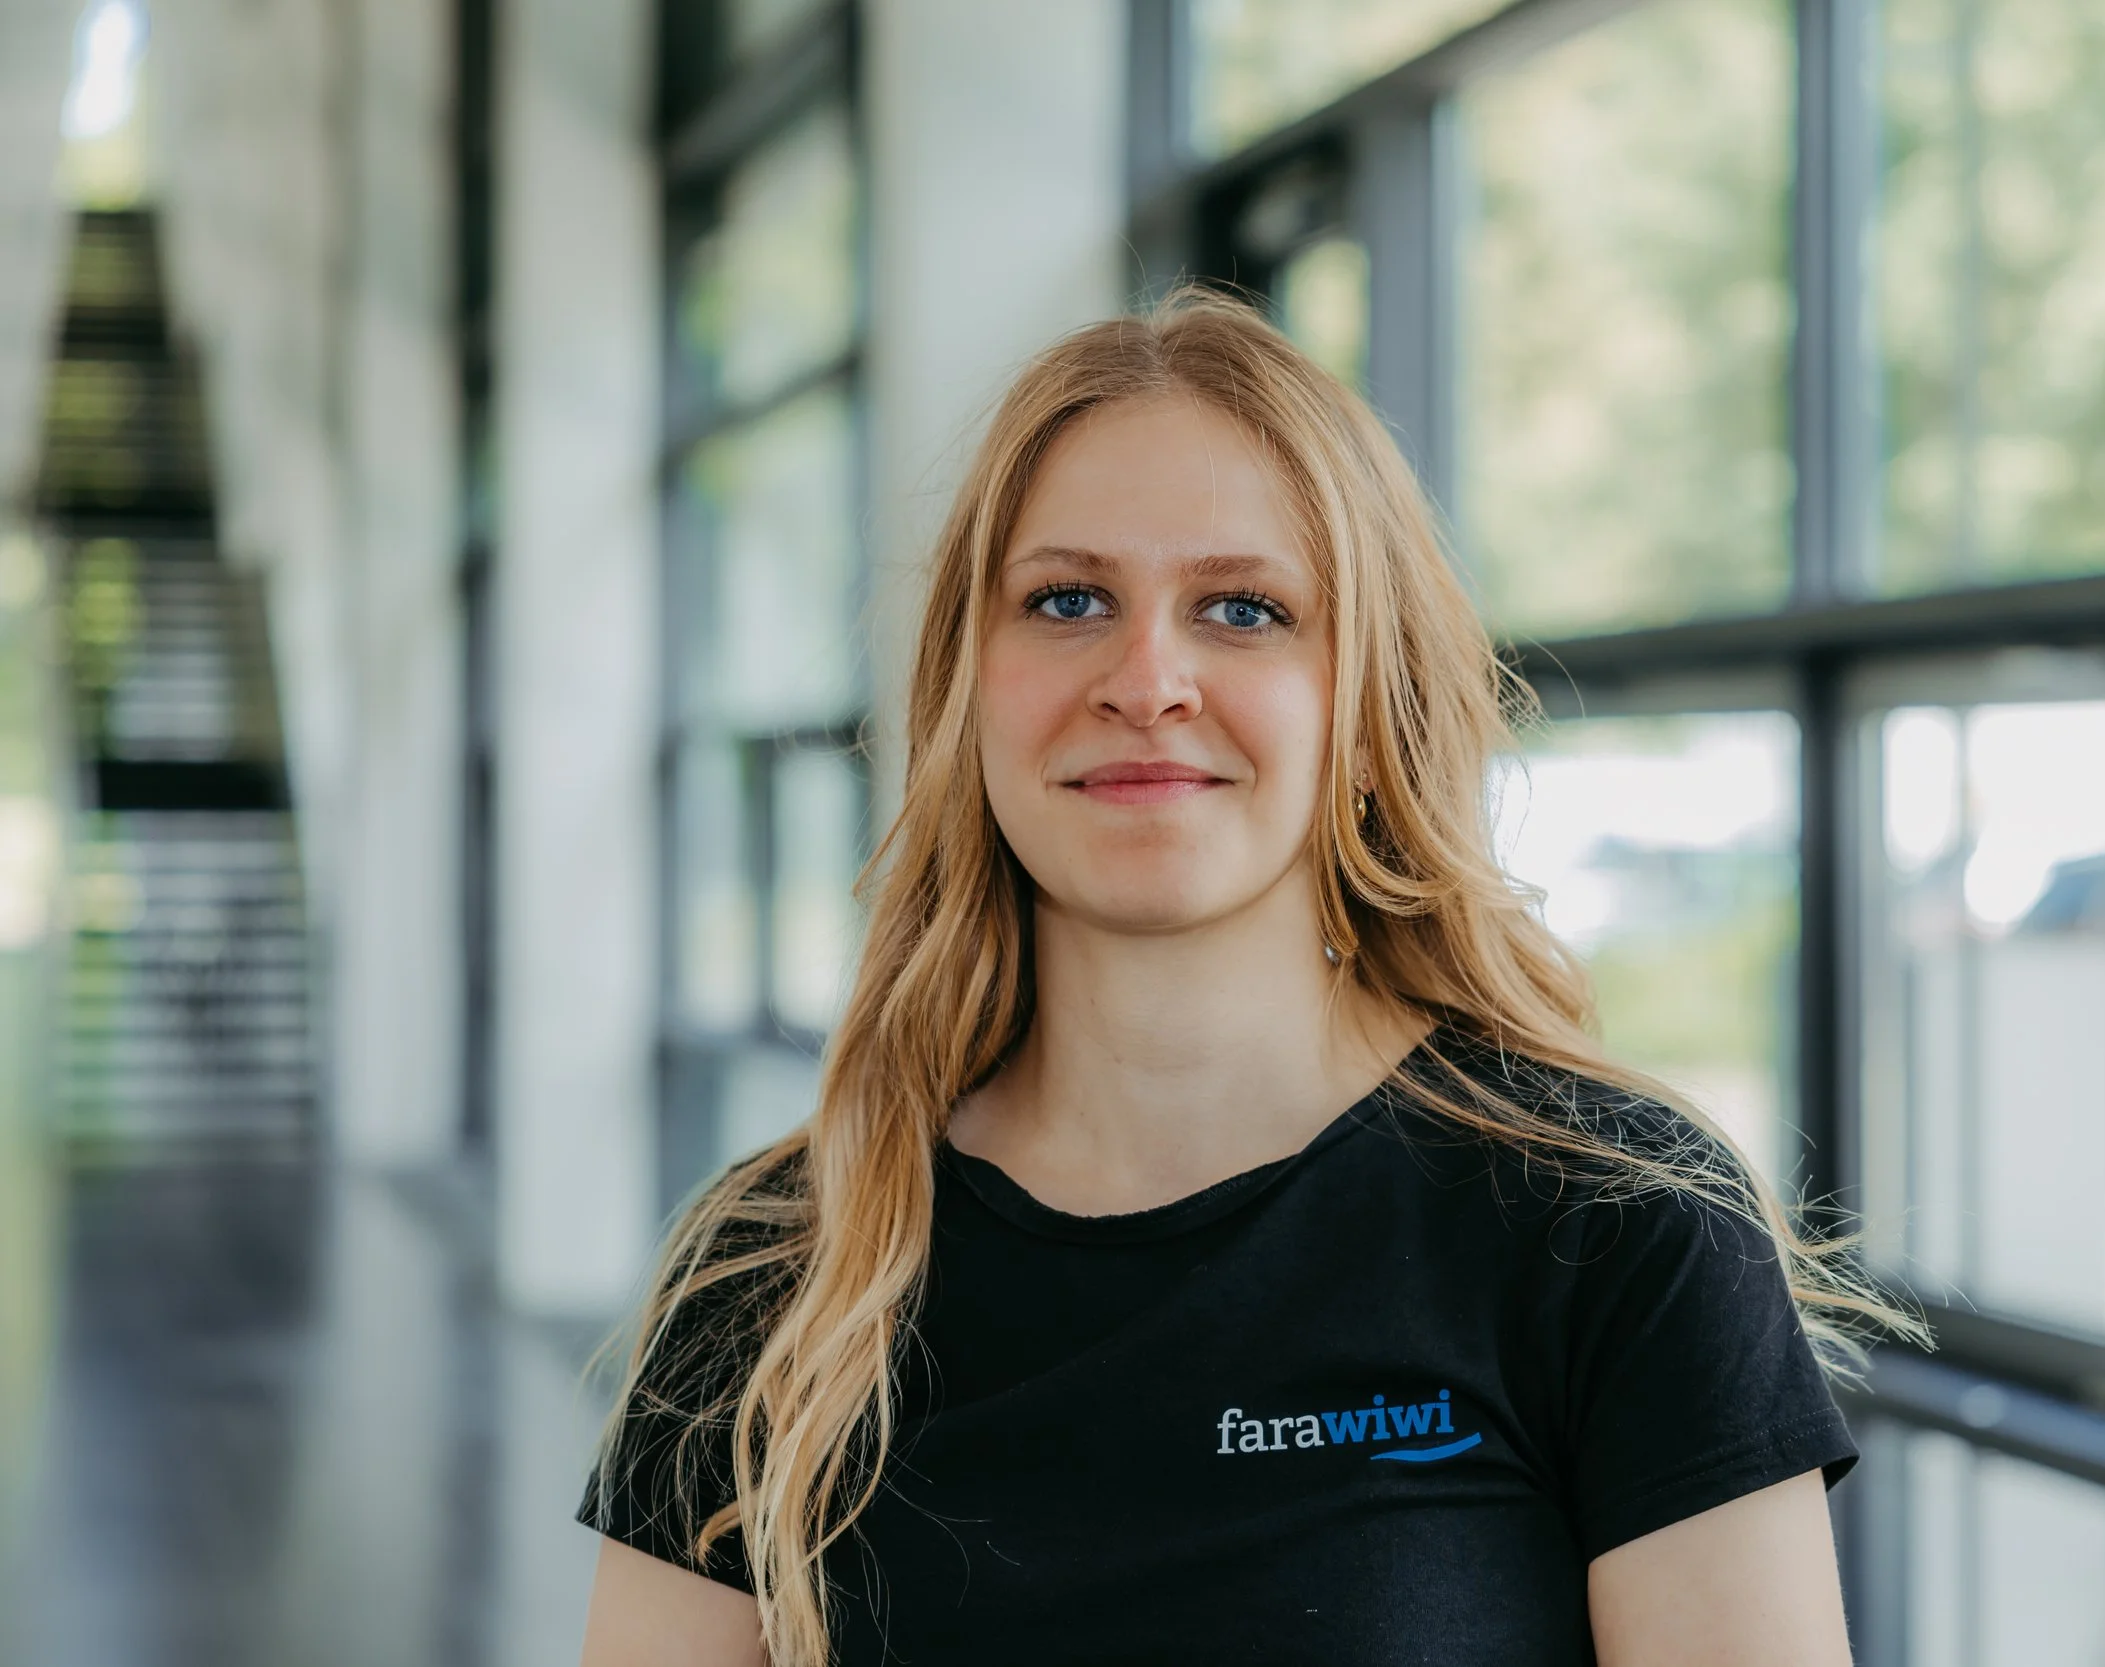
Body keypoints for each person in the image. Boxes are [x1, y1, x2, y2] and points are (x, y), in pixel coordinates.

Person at [576, 289, 1907, 1667]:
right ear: (967, 693)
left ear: (1368, 708)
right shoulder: (781, 1267)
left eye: (1243, 609)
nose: (1147, 679)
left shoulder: (1615, 1228)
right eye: (1068, 600)